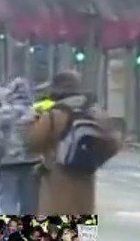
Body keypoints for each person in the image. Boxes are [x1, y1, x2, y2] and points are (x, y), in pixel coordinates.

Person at [25, 70, 120, 215]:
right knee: (84, 231)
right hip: (86, 184)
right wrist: (94, 159)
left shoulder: (54, 115)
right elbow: (114, 143)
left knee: (57, 233)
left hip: (58, 183)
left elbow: (32, 143)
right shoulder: (96, 114)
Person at [0, 77, 40, 214]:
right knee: (30, 203)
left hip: (7, 163)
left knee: (8, 201)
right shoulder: (35, 113)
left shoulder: (2, 113)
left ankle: (10, 232)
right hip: (31, 163)